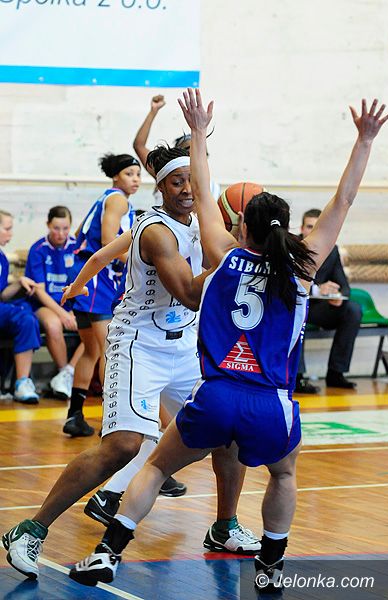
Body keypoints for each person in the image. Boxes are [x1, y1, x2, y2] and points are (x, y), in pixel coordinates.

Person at [61, 91, 388, 591]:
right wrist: (364, 140)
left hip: (215, 395)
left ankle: (107, 553)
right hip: (270, 401)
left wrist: (197, 132)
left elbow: (202, 188)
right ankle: (271, 568)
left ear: (240, 226)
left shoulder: (222, 255)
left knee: (155, 468)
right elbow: (343, 201)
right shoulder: (303, 267)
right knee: (283, 475)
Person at [2, 141, 260, 581]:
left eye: (190, 181)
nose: (185, 189)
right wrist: (238, 256)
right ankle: (30, 529)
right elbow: (190, 293)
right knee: (122, 446)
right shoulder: (156, 231)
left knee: (229, 430)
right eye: (175, 182)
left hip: (185, 345)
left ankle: (224, 527)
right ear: (160, 187)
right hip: (140, 343)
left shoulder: (201, 221)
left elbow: (101, 256)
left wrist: (77, 285)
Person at [63, 153, 141, 436]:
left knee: (91, 350)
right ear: (116, 176)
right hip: (98, 281)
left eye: (138, 174)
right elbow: (109, 241)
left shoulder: (104, 199)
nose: (136, 179)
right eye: (129, 174)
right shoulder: (118, 200)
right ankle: (112, 419)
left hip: (87, 279)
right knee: (110, 350)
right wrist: (139, 262)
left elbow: (79, 234)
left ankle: (75, 415)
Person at [297, 208, 362, 389]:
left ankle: (336, 373)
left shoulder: (331, 250)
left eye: (317, 227)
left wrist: (338, 296)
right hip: (296, 305)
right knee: (297, 314)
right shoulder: (292, 246)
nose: (313, 231)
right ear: (301, 229)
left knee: (353, 310)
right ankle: (297, 377)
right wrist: (317, 289)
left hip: (319, 309)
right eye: (309, 227)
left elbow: (344, 286)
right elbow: (290, 283)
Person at [25, 206, 84, 399]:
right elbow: (39, 291)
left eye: (65, 228)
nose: (61, 233)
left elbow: (83, 283)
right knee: (53, 324)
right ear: (48, 225)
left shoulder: (76, 247)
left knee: (95, 325)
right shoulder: (38, 249)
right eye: (56, 228)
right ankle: (62, 371)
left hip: (71, 303)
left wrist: (74, 310)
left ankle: (68, 372)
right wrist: (63, 314)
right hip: (44, 305)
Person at [133, 94, 221, 204]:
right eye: (177, 183)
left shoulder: (213, 187)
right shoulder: (167, 172)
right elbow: (139, 145)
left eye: (200, 150)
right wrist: (153, 111)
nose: (194, 153)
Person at [0, 210, 41, 403]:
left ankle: (22, 382)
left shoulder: (2, 258)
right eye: (7, 229)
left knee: (26, 315)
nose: (11, 234)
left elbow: (2, 294)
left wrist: (19, 282)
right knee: (23, 315)